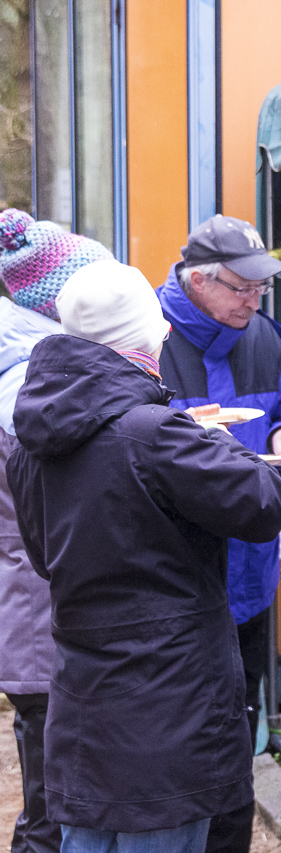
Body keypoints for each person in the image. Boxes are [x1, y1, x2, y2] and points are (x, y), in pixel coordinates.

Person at [6, 259, 281, 853]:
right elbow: (264, 503)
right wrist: (219, 441)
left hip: (83, 713)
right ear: (151, 334)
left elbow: (42, 557)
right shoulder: (156, 434)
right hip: (170, 719)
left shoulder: (30, 444)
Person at [155, 214, 281, 852]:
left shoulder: (263, 339)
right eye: (241, 288)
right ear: (197, 280)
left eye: (261, 288)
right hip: (175, 579)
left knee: (237, 729)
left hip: (250, 571)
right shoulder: (149, 337)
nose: (254, 301)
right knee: (176, 735)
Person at [0, 208, 113, 853]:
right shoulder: (30, 383)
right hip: (42, 613)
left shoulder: (25, 366)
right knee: (51, 810)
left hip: (32, 607)